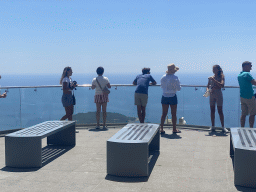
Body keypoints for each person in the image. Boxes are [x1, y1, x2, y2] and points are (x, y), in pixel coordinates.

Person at [160, 64, 181, 134]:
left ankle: (161, 128)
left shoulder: (163, 77)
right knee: (174, 114)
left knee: (164, 113)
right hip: (172, 96)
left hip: (164, 96)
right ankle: (174, 129)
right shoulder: (175, 78)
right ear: (174, 71)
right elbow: (178, 88)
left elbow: (162, 86)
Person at [207, 65, 227, 133]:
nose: (213, 70)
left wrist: (214, 80)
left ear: (218, 70)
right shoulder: (211, 78)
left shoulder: (221, 76)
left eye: (214, 69)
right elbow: (208, 85)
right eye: (213, 69)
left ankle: (223, 127)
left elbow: (222, 85)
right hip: (212, 94)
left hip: (218, 94)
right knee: (212, 110)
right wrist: (208, 90)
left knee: (220, 111)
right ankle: (212, 126)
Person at [238, 61, 256, 128]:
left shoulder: (239, 75)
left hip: (242, 96)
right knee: (252, 114)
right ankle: (251, 129)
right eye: (250, 66)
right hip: (249, 97)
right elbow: (254, 83)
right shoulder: (247, 74)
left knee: (243, 114)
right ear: (245, 66)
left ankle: (242, 128)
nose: (251, 68)